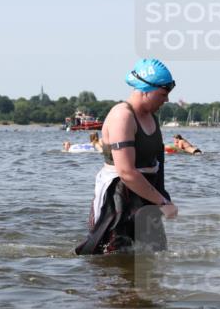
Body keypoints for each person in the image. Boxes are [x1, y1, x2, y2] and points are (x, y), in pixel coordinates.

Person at [75, 59, 177, 255]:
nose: (166, 100)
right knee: (113, 256)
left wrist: (162, 197)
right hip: (119, 196)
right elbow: (126, 172)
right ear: (146, 89)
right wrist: (162, 203)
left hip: (147, 195)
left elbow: (158, 162)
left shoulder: (151, 116)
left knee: (154, 255)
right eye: (163, 95)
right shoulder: (122, 116)